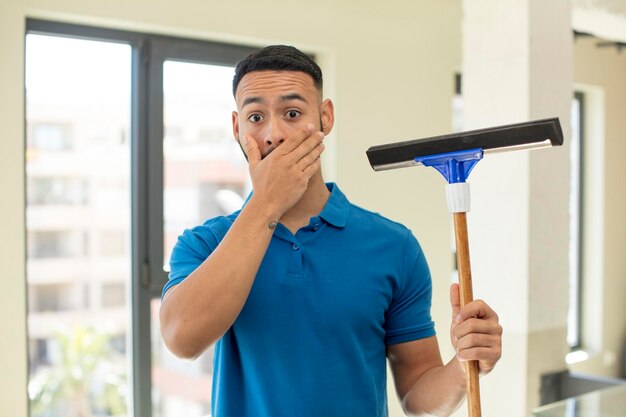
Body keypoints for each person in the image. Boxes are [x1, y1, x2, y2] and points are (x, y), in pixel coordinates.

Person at [159, 45, 502, 417]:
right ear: (237, 128)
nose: (273, 133)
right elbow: (181, 340)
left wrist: (464, 363)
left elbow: (420, 400)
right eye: (256, 116)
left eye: (292, 113)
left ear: (325, 117)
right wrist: (266, 205)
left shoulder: (395, 246)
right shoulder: (204, 244)